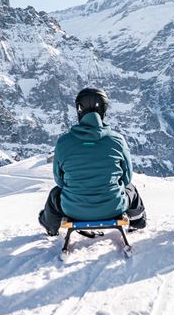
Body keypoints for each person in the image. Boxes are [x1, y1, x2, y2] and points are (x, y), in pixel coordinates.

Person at [38, 88, 147, 236]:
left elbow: (59, 180)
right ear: (104, 111)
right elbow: (127, 177)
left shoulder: (63, 142)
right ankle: (137, 221)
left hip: (72, 208)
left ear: (79, 111)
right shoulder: (117, 140)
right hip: (114, 207)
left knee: (55, 194)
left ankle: (50, 227)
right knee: (131, 189)